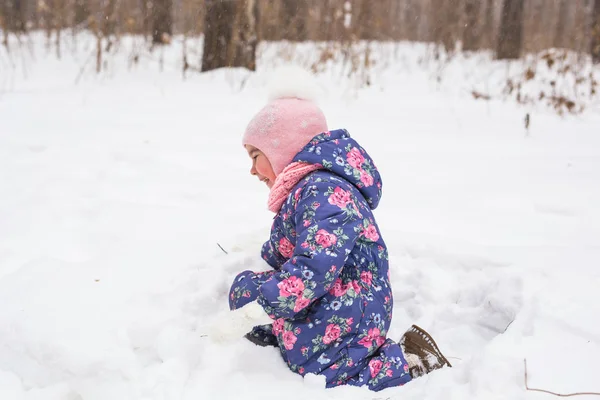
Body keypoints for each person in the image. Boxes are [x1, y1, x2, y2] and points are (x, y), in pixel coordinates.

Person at [212, 71, 451, 391]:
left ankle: (409, 359)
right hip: (331, 297)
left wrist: (260, 304)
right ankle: (287, 335)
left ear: (283, 150)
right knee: (246, 292)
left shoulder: (323, 191)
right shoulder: (307, 190)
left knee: (319, 369)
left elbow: (313, 267)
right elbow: (292, 248)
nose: (253, 170)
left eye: (257, 156)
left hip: (353, 307)